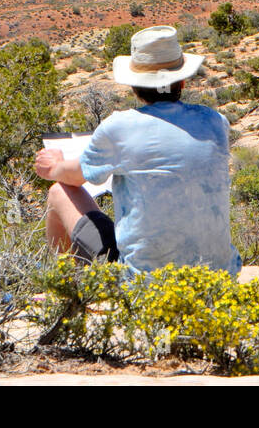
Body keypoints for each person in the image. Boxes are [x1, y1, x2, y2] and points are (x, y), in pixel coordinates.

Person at [33, 24, 241, 276]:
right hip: (218, 277)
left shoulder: (120, 127)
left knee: (59, 191)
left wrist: (54, 164)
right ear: (183, 81)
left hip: (143, 286)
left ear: (134, 85)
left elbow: (73, 177)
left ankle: (64, 286)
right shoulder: (215, 122)